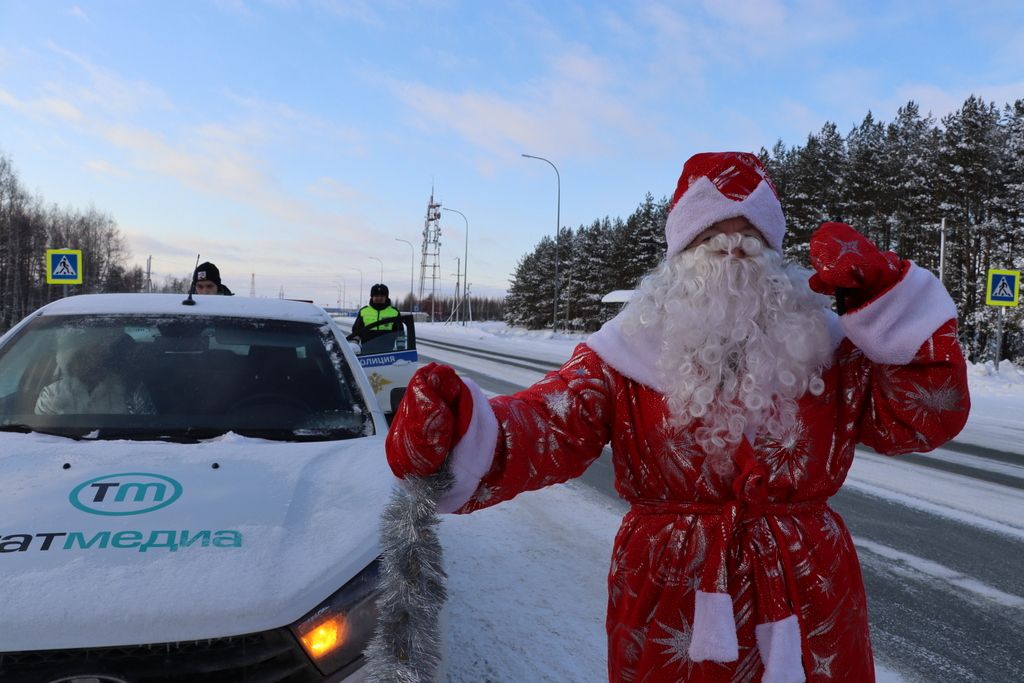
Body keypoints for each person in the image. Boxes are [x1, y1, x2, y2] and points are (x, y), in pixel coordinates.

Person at [385, 151, 970, 682]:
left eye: (750, 234)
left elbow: (920, 421)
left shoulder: (832, 344)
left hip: (807, 592)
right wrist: (462, 428)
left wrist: (896, 313)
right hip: (672, 595)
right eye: (712, 233)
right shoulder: (625, 348)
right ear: (680, 253)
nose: (734, 248)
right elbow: (550, 423)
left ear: (776, 251)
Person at [36, 328, 155, 415]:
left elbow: (149, 430)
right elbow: (43, 438)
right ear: (68, 364)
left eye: (89, 356)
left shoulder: (130, 389)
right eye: (78, 357)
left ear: (101, 357)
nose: (84, 364)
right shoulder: (52, 395)